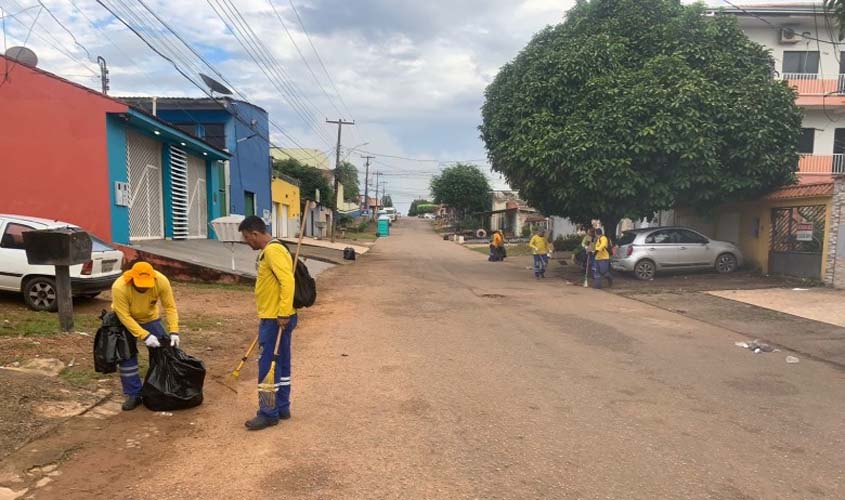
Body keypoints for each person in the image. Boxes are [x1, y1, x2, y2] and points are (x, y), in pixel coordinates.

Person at [239, 215, 297, 431]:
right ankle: (282, 407)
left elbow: (287, 281)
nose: (247, 242)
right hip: (275, 316)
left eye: (247, 238)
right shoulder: (274, 250)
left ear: (255, 234)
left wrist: (282, 313)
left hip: (276, 319)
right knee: (281, 363)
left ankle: (268, 412)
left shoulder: (272, 251)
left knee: (267, 366)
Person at [111, 261, 180, 411]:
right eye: (140, 284)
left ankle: (162, 387)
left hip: (150, 318)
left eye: (146, 284)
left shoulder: (161, 281)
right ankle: (133, 394)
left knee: (165, 351)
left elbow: (170, 306)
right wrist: (145, 336)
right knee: (126, 356)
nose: (143, 287)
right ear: (132, 279)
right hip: (124, 321)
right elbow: (124, 316)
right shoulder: (119, 287)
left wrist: (174, 331)